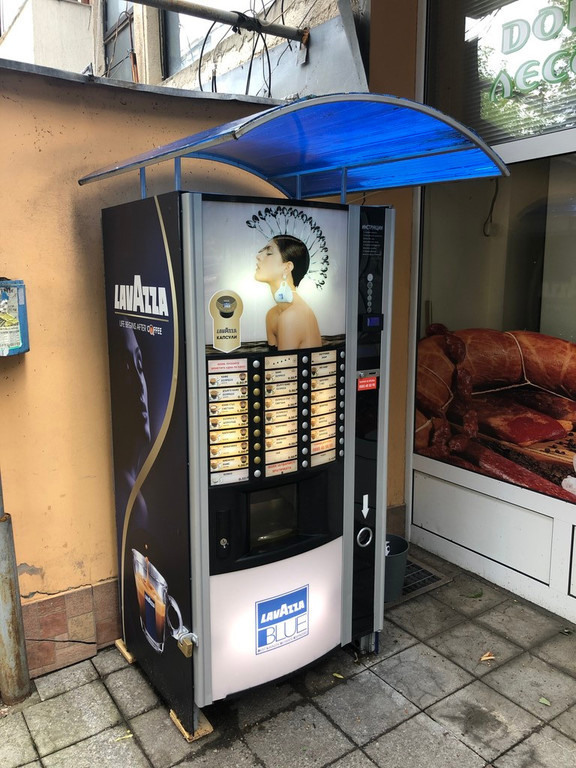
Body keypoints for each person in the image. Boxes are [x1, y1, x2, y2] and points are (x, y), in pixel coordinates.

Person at [255, 234, 322, 350]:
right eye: (261, 251)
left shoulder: (292, 316)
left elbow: (284, 367)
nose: (259, 257)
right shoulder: (272, 315)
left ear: (287, 268)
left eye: (269, 253)